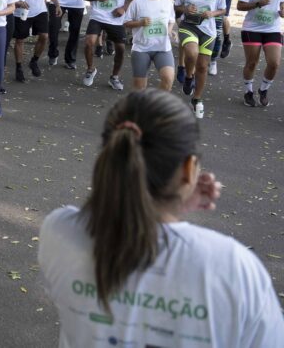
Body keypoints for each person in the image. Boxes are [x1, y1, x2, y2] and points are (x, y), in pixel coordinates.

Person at [38, 89, 283, 347]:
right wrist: (178, 200)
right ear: (189, 169)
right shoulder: (232, 267)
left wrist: (177, 198)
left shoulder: (59, 232)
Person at [173, 0, 226, 119]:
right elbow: (177, 6)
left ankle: (196, 98)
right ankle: (189, 76)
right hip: (189, 26)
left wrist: (212, 13)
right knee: (191, 52)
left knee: (203, 67)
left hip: (208, 30)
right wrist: (186, 9)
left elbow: (223, 9)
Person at [82, 0, 140, 90]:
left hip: (115, 18)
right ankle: (90, 69)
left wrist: (124, 8)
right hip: (98, 15)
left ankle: (114, 77)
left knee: (120, 48)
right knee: (89, 42)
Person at [236, 0, 284, 107]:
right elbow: (240, 5)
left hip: (273, 29)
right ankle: (248, 92)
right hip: (252, 28)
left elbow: (282, 4)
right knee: (252, 63)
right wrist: (258, 3)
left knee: (274, 63)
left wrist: (282, 11)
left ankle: (263, 89)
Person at [123, 0, 177, 91]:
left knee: (168, 78)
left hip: (162, 48)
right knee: (139, 87)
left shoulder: (167, 2)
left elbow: (171, 20)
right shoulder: (137, 2)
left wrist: (169, 30)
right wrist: (140, 23)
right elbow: (126, 23)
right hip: (141, 48)